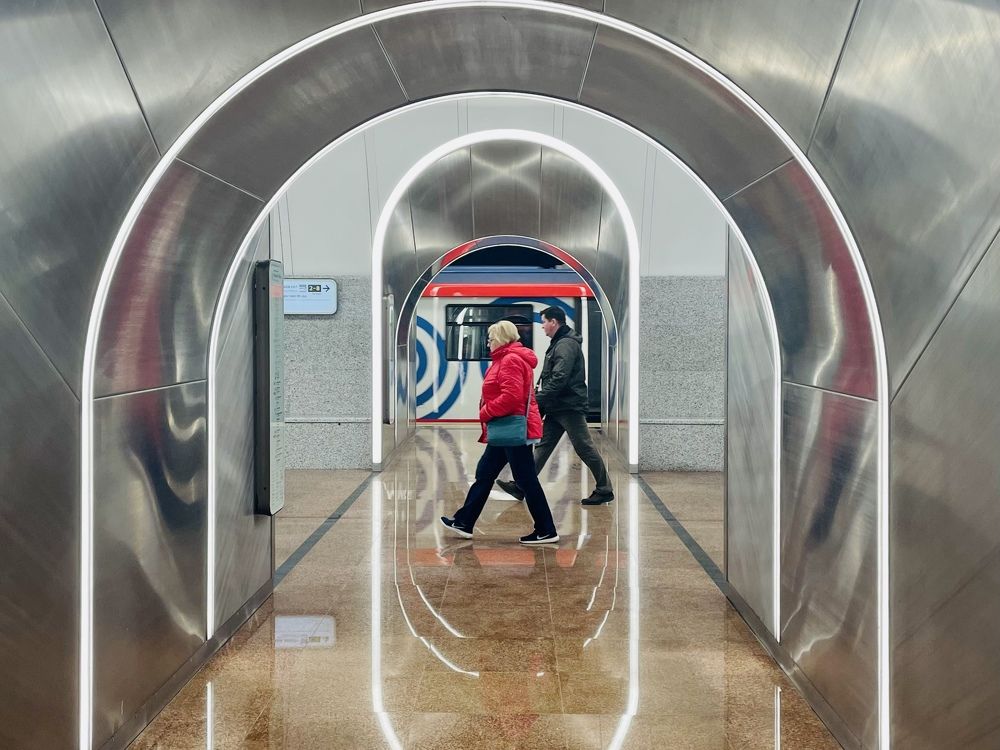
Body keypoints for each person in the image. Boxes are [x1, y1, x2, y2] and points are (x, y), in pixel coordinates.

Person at [441, 320, 559, 544]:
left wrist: (486, 412)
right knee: (485, 473)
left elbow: (511, 397)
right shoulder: (505, 359)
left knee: (526, 480)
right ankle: (464, 521)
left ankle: (546, 529)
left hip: (511, 429)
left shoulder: (510, 360)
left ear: (502, 339)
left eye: (491, 339)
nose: (488, 343)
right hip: (504, 430)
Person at [497, 306, 614, 505]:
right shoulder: (559, 343)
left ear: (554, 322)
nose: (542, 326)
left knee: (584, 448)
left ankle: (604, 489)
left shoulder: (565, 344)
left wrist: (539, 399)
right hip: (558, 406)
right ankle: (521, 485)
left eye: (544, 322)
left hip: (569, 406)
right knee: (543, 446)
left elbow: (560, 377)